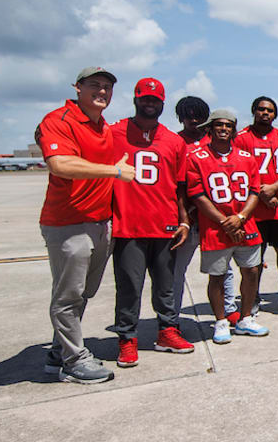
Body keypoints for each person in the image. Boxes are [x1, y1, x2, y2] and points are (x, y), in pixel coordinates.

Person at [37, 66, 136, 384]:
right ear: (76, 87)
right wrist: (113, 171)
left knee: (83, 293)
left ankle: (58, 351)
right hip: (68, 223)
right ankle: (73, 360)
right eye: (94, 85)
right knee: (68, 296)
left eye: (107, 87)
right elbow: (60, 164)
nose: (102, 91)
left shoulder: (103, 127)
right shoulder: (59, 121)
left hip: (99, 221)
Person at [109, 77, 194, 368]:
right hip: (128, 224)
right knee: (129, 286)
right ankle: (127, 338)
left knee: (166, 285)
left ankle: (167, 331)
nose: (149, 103)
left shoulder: (173, 140)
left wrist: (184, 221)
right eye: (145, 98)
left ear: (162, 103)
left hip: (165, 224)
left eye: (155, 100)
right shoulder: (114, 133)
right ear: (135, 99)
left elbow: (180, 185)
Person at [186, 109, 269, 343]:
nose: (224, 129)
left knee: (252, 271)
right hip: (215, 227)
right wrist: (225, 222)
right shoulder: (196, 157)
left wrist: (240, 217)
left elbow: (254, 190)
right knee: (217, 276)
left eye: (229, 125)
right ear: (210, 128)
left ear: (233, 130)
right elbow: (197, 195)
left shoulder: (246, 157)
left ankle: (245, 318)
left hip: (245, 223)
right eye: (219, 125)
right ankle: (221, 320)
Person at [234, 96, 278, 312]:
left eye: (270, 110)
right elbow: (238, 170)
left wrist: (274, 188)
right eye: (261, 109)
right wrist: (263, 193)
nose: (265, 113)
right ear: (254, 111)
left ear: (275, 114)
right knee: (255, 254)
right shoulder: (241, 138)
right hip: (253, 208)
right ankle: (252, 295)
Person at [170, 95, 224, 328]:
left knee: (223, 268)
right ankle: (171, 318)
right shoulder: (174, 142)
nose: (193, 120)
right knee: (176, 271)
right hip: (188, 217)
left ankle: (228, 309)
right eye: (188, 115)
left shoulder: (216, 143)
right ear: (180, 117)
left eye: (198, 116)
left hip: (214, 217)